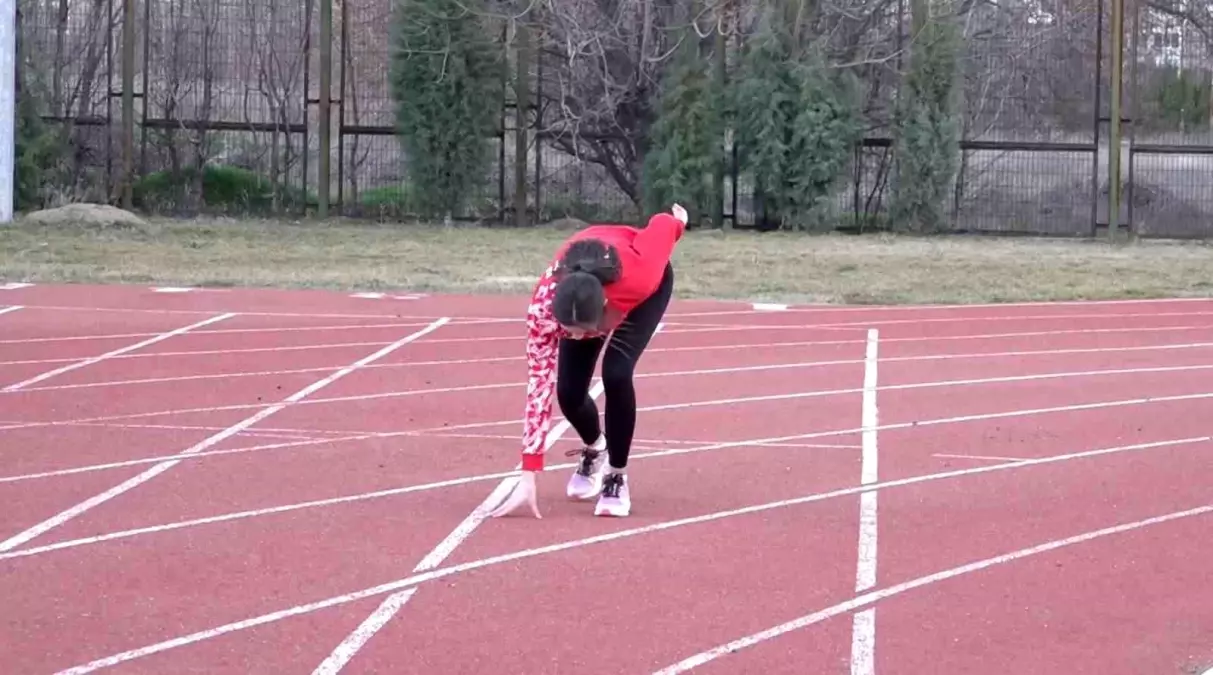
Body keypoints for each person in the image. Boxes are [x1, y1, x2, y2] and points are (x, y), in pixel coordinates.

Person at [488, 203, 688, 519]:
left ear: (603, 310)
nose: (577, 337)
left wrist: (678, 221)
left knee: (617, 373)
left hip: (638, 290)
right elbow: (537, 391)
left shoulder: (641, 276)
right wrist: (528, 474)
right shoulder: (543, 312)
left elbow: (662, 226)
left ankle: (616, 476)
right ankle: (596, 448)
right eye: (568, 331)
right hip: (585, 285)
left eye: (583, 332)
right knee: (568, 392)